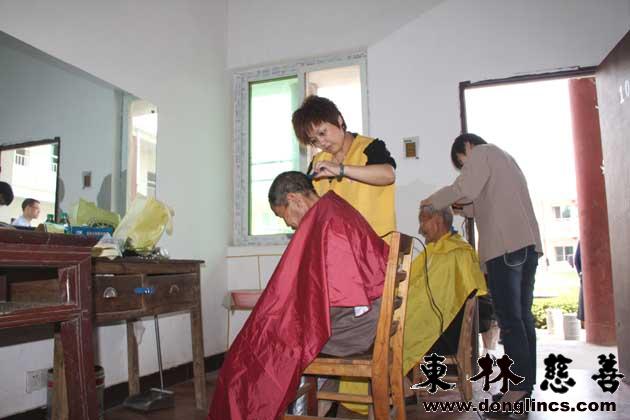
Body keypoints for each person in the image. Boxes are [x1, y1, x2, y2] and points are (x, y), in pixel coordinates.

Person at [208, 171, 389, 420]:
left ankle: (262, 411)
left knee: (273, 351)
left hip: (358, 327)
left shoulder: (329, 221)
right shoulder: (333, 209)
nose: (288, 225)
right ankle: (313, 408)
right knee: (273, 339)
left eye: (283, 216)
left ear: (294, 199)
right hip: (366, 320)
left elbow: (340, 295)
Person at [421, 133, 542, 408]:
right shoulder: (505, 160)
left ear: (467, 146)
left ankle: (517, 390)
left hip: (505, 247)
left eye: (463, 163)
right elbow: (475, 202)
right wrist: (458, 206)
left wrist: (431, 201)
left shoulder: (483, 152)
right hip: (526, 246)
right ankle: (524, 384)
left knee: (510, 320)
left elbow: (466, 187)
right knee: (522, 318)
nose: (465, 168)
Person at [340, 205, 487, 413]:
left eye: (423, 221)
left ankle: (393, 391)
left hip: (441, 334)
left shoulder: (453, 253)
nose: (420, 229)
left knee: (379, 333)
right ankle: (403, 387)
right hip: (439, 324)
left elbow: (430, 303)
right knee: (381, 324)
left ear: (437, 220)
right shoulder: (447, 249)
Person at [292, 95, 396, 237]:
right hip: (341, 245)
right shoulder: (317, 162)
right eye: (314, 140)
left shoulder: (370, 147)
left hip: (380, 243)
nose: (322, 142)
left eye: (322, 133)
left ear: (339, 120)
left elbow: (388, 175)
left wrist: (341, 170)